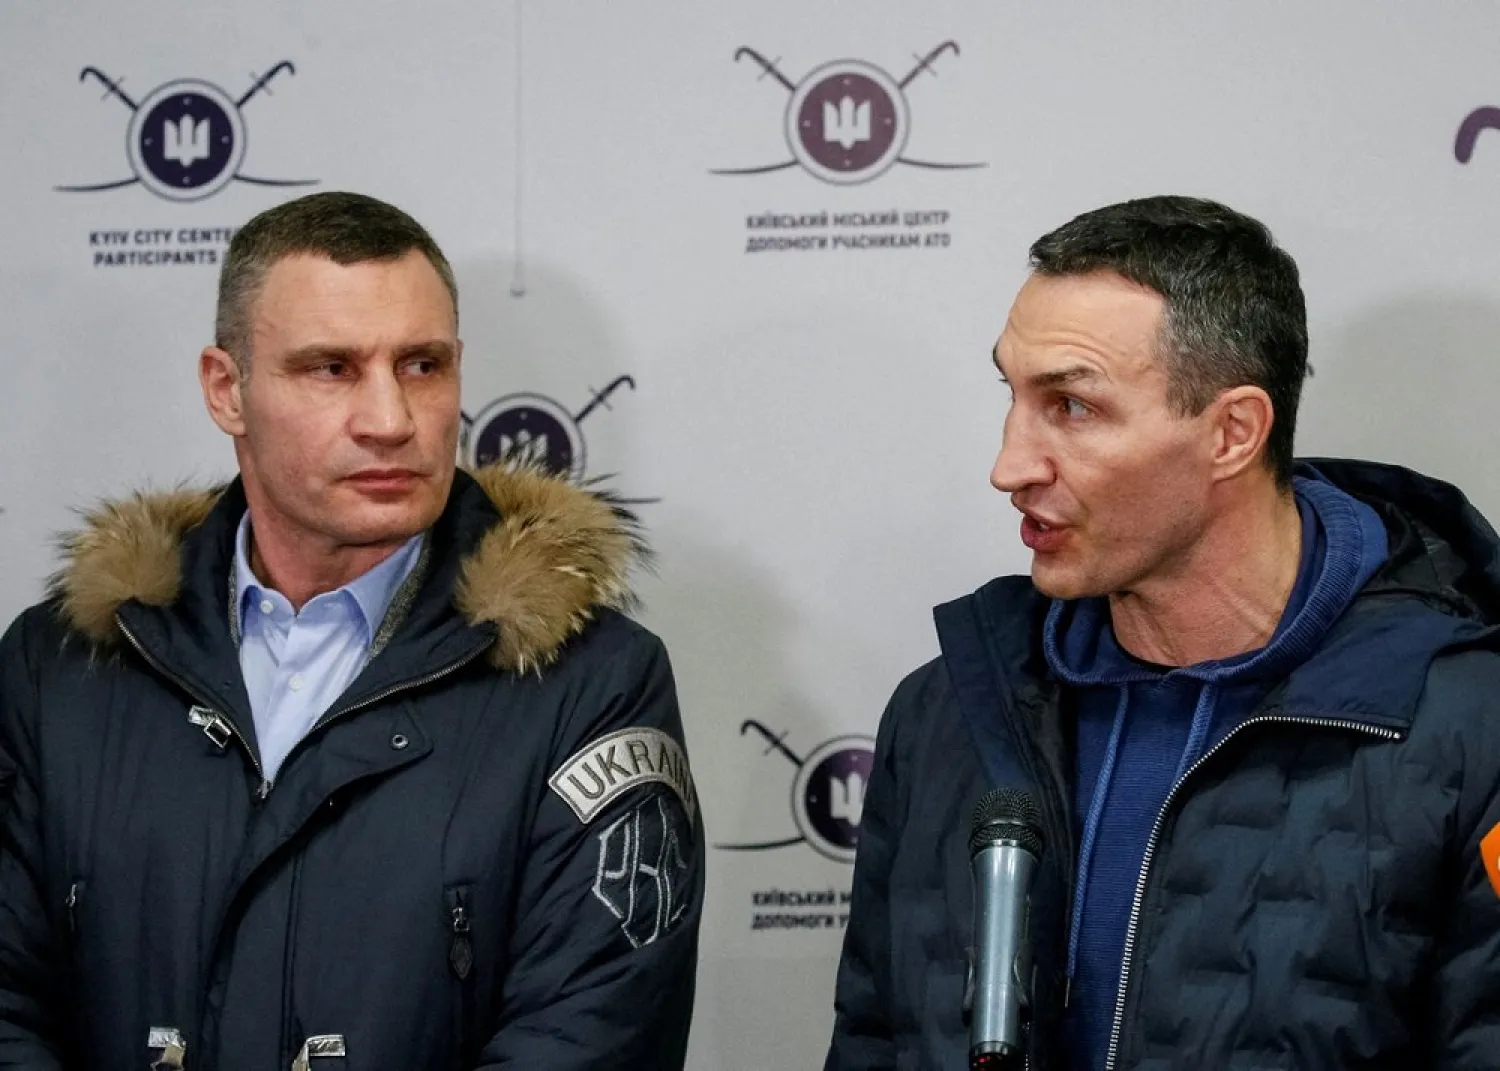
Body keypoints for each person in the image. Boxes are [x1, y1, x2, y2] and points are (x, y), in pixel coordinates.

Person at [0, 191, 703, 1070]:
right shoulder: (60, 665)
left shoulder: (591, 681)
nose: (391, 419)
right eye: (330, 368)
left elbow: (589, 1037)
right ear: (228, 389)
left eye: (422, 365)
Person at [825, 195, 1500, 1069]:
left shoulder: (1469, 725)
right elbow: (874, 1041)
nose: (1009, 466)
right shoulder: (946, 710)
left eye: (1070, 406)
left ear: (1232, 432)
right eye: (1014, 395)